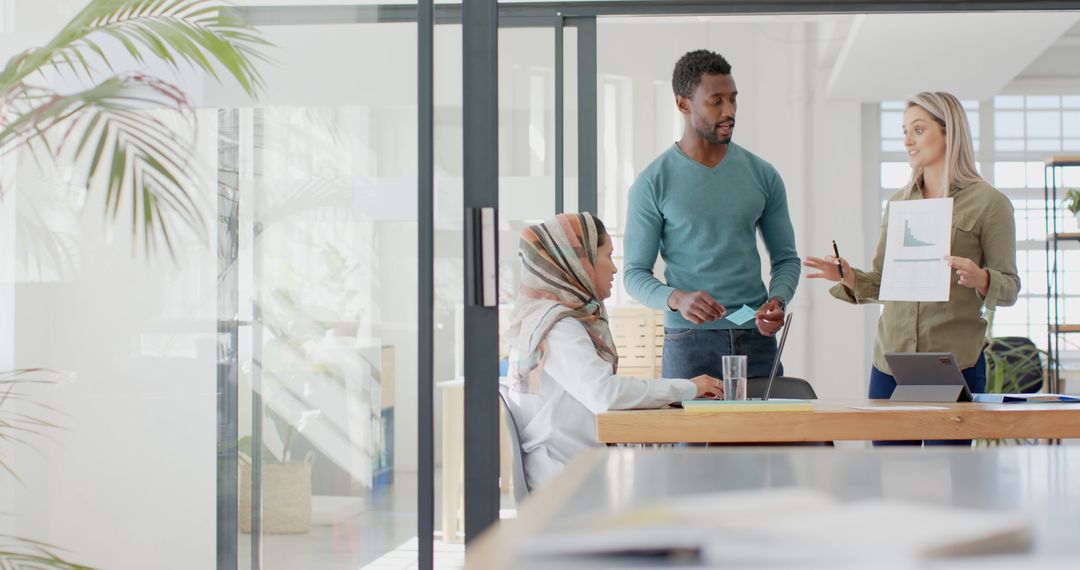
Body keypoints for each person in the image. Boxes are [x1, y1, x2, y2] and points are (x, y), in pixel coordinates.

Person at [804, 91, 1020, 445]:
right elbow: (883, 282)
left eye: (918, 130)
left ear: (949, 132)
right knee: (889, 471)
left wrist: (982, 279)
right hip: (891, 362)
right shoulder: (899, 203)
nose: (907, 140)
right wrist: (847, 276)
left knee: (950, 475)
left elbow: (1009, 287)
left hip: (953, 364)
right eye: (905, 130)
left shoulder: (990, 204)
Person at [506, 212, 723, 489]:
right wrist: (689, 387)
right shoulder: (558, 327)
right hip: (570, 483)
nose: (615, 269)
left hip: (571, 474)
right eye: (608, 256)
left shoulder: (543, 320)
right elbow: (605, 394)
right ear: (580, 262)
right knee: (688, 489)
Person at [624, 49, 801, 381]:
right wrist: (676, 298)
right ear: (683, 104)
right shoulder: (653, 182)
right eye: (716, 101)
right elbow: (634, 275)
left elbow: (787, 259)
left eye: (733, 100)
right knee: (692, 436)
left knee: (768, 435)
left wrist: (778, 299)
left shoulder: (763, 175)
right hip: (689, 343)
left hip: (757, 339)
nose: (729, 111)